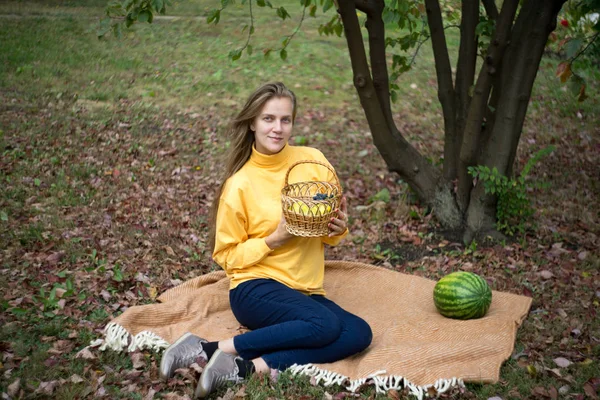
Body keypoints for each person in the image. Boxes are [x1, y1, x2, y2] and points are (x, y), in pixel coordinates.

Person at [159, 82, 372, 398]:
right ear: (252, 123)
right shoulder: (240, 184)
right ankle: (209, 348)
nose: (278, 128)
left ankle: (244, 368)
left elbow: (331, 234)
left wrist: (338, 228)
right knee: (326, 327)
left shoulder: (313, 162)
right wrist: (274, 239)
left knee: (358, 333)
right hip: (254, 288)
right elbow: (227, 256)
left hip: (305, 291)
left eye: (285, 120)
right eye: (268, 119)